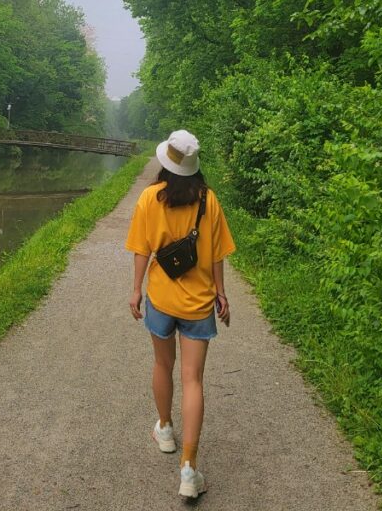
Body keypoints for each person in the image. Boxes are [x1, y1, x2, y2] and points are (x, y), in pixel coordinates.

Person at [125, 129, 236, 499]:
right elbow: (217, 253)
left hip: (160, 298)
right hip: (198, 303)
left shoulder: (148, 198)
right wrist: (221, 294)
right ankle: (189, 469)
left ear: (165, 162)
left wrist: (136, 289)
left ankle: (166, 429)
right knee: (193, 380)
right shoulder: (210, 200)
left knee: (162, 366)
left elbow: (141, 249)